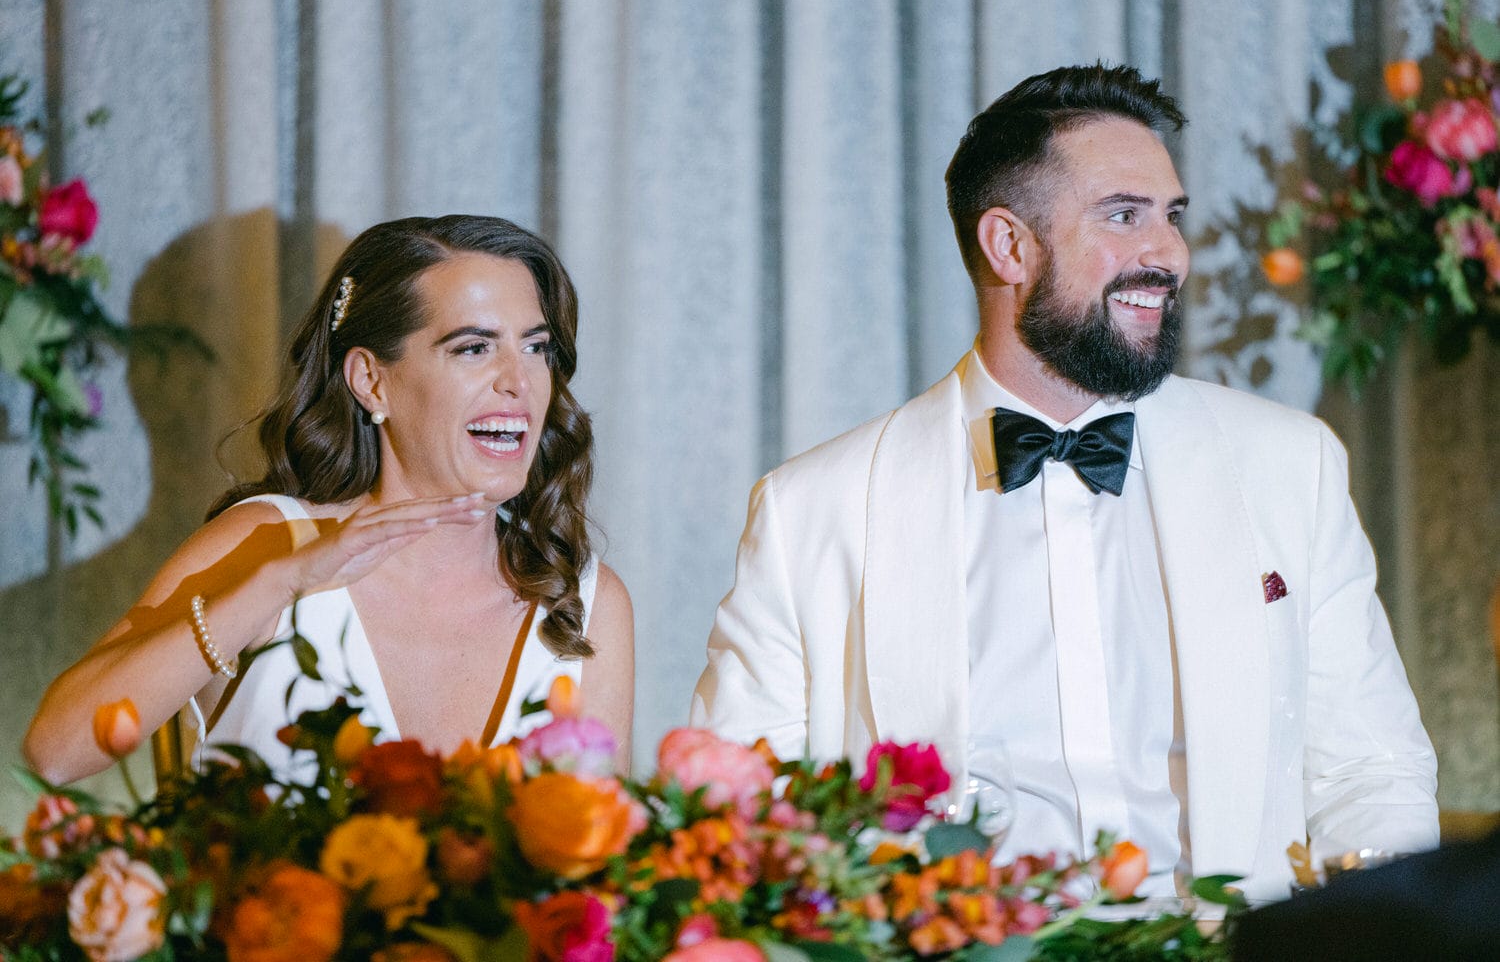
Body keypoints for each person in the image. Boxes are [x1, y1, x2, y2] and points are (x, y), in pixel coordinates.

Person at [691, 64, 1437, 901]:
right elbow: (746, 821)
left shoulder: (1289, 466)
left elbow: (1372, 773)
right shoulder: (811, 512)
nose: (1169, 255)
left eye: (1172, 217)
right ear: (1009, 245)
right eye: (1124, 216)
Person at [25, 215, 633, 784]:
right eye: (474, 348)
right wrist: (270, 589)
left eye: (536, 348)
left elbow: (611, 878)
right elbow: (55, 752)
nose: (519, 381)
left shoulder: (585, 602)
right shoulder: (267, 541)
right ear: (371, 380)